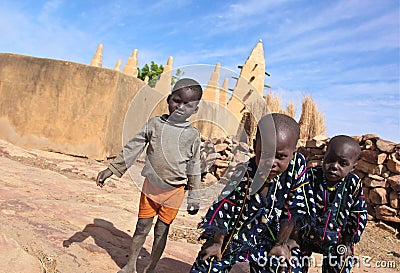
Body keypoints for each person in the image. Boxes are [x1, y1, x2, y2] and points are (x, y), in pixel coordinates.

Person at [96, 78, 203, 273]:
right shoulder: (154, 125)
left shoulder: (193, 135)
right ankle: (130, 265)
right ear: (169, 99)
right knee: (141, 227)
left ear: (195, 109)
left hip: (174, 191)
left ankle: (151, 268)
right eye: (176, 100)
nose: (180, 107)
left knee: (161, 231)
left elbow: (194, 166)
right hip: (151, 187)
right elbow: (133, 148)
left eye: (188, 105)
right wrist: (111, 169)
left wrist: (194, 196)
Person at [190, 113, 315, 273]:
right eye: (265, 154)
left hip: (275, 236)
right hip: (240, 235)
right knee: (207, 264)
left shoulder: (296, 170)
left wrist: (281, 244)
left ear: (293, 152)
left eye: (281, 157)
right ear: (255, 146)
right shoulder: (244, 173)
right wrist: (216, 242)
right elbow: (224, 207)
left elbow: (295, 210)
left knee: (288, 266)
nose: (271, 163)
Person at [290, 135, 368, 273]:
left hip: (337, 240)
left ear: (353, 167)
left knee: (340, 263)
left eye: (343, 164)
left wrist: (348, 242)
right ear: (324, 156)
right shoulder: (311, 177)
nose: (334, 166)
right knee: (290, 263)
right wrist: (293, 237)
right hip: (304, 236)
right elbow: (296, 206)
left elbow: (358, 214)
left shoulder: (353, 184)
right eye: (330, 160)